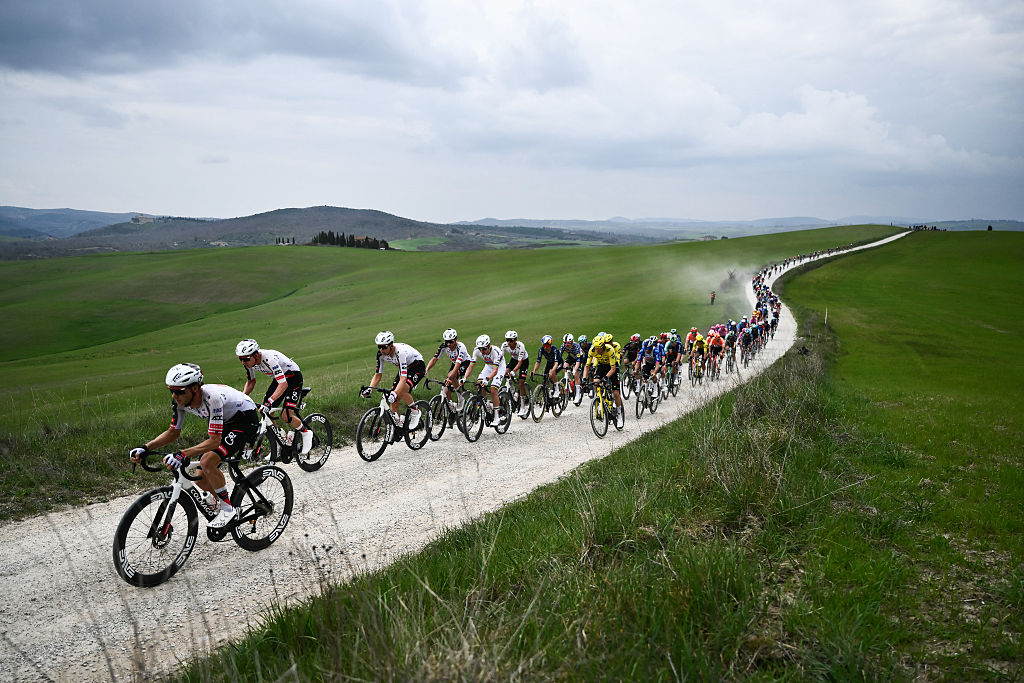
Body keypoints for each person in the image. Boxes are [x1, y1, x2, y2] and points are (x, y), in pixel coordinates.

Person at [128, 363, 258, 528]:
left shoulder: (212, 398)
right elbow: (173, 432)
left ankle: (228, 509)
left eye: (179, 391)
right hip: (226, 422)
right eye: (172, 391)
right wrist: (146, 448)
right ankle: (225, 507)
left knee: (207, 461)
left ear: (195, 388)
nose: (175, 396)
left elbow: (214, 440)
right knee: (200, 477)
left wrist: (183, 454)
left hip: (245, 420)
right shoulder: (179, 401)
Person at [235, 339, 312, 455]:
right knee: (266, 413)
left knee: (286, 415)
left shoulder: (268, 359)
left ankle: (306, 433)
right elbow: (251, 382)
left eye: (246, 359)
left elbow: (284, 384)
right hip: (279, 379)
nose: (243, 362)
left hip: (293, 377)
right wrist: (241, 398)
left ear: (256, 355)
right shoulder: (249, 362)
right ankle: (278, 445)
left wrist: (270, 401)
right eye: (240, 359)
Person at [361, 332, 425, 430]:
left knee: (401, 391)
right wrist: (370, 389)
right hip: (404, 368)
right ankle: (398, 427)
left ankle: (415, 411)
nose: (381, 350)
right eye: (379, 347)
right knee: (394, 400)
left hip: (417, 366)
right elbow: (378, 375)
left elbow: (403, 378)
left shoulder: (400, 353)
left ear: (391, 346)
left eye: (384, 347)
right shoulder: (380, 354)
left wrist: (395, 393)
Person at [463, 334, 507, 426]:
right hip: (488, 366)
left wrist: (487, 379)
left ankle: (496, 417)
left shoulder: (496, 352)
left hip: (499, 367)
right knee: (479, 384)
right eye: (480, 349)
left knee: (493, 389)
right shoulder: (476, 350)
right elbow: (471, 366)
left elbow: (495, 371)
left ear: (489, 346)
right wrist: (464, 378)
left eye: (484, 349)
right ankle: (487, 404)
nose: (482, 351)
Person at [425, 328, 473, 413]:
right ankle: (451, 408)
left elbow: (458, 364)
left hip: (464, 363)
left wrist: (450, 378)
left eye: (451, 342)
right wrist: (427, 369)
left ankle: (460, 398)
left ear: (456, 339)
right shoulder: (444, 346)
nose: (449, 344)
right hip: (455, 363)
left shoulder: (461, 347)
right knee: (446, 386)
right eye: (447, 342)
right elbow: (435, 359)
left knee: (451, 377)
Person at [582, 333, 624, 428]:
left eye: (599, 349)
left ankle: (619, 414)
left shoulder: (610, 349)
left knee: (616, 392)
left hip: (612, 367)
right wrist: (584, 379)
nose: (597, 351)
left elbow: (613, 369)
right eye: (595, 348)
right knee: (596, 382)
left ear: (603, 346)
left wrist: (605, 378)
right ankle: (600, 400)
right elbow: (587, 366)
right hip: (602, 365)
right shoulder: (592, 350)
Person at [501, 330, 531, 416]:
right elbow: (500, 358)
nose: (509, 342)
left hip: (523, 361)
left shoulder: (520, 346)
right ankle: (512, 388)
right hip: (514, 360)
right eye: (507, 340)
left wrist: (514, 371)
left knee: (521, 382)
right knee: (505, 373)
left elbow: (520, 362)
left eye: (511, 340)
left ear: (515, 340)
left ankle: (522, 406)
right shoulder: (504, 345)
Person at [560, 333, 583, 402]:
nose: (566, 345)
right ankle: (568, 381)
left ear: (572, 342)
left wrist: (575, 369)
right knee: (564, 366)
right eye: (565, 343)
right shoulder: (563, 346)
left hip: (579, 358)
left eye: (568, 343)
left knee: (576, 374)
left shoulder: (576, 347)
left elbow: (578, 361)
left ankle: (577, 395)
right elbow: (559, 357)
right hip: (571, 357)